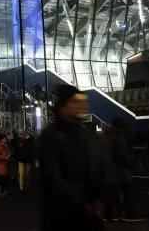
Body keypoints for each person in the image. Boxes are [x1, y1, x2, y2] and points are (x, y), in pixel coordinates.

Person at [37, 84, 103, 231]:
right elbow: (52, 176)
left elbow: (92, 168)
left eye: (83, 101)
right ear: (62, 108)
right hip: (63, 212)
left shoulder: (84, 133)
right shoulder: (51, 135)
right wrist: (79, 203)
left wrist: (97, 197)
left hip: (85, 208)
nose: (81, 105)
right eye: (74, 101)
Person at [103, 118, 138, 221]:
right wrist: (130, 164)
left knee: (111, 194)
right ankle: (129, 214)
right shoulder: (119, 137)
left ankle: (110, 215)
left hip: (109, 169)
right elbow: (122, 155)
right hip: (120, 170)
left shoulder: (106, 136)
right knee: (126, 192)